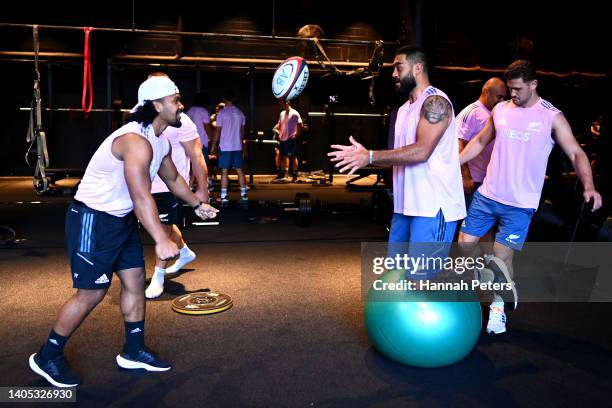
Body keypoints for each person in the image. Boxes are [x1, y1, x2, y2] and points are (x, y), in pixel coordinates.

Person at [28, 75, 218, 387]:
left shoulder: (159, 139)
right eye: (175, 100)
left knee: (134, 282)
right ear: (156, 105)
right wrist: (160, 238)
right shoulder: (135, 141)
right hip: (93, 219)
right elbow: (141, 195)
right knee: (92, 293)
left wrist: (197, 203)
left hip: (120, 221)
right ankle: (47, 355)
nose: (181, 105)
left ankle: (133, 351)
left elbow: (172, 180)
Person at [458, 60, 602, 334]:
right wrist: (454, 164)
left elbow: (576, 153)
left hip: (520, 205)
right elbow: (478, 142)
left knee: (501, 258)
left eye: (518, 89)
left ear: (533, 84)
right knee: (465, 246)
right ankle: (484, 278)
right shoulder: (500, 110)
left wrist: (589, 186)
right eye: (509, 88)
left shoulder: (551, 116)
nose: (512, 94)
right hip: (488, 194)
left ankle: (498, 309)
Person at [328, 46, 465, 277]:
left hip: (433, 207)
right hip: (405, 206)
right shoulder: (402, 110)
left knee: (422, 279)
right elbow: (400, 155)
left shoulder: (435, 102)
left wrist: (370, 156)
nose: (393, 74)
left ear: (418, 68)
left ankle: (475, 284)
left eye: (398, 67)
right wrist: (364, 158)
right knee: (396, 274)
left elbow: (421, 151)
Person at [146, 75, 211, 299]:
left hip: (172, 184)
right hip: (147, 183)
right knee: (162, 224)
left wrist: (202, 190)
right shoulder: (145, 119)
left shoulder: (183, 121)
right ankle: (184, 252)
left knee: (162, 228)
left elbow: (197, 155)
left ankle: (158, 276)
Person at [457, 77, 507, 206]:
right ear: (487, 93)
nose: (502, 101)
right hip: (473, 181)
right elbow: (457, 144)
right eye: (499, 97)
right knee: (466, 222)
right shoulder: (472, 112)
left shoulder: (495, 114)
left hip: (487, 181)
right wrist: (466, 177)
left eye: (504, 98)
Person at [210, 91, 248, 204]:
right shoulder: (240, 114)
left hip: (225, 147)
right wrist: (242, 147)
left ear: (224, 99)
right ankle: (244, 195)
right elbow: (242, 133)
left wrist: (213, 146)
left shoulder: (222, 114)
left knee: (224, 172)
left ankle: (224, 196)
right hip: (237, 146)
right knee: (240, 171)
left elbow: (217, 131)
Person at [187, 92, 215, 190]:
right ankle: (206, 184)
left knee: (192, 163)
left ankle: (190, 184)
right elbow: (207, 128)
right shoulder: (204, 112)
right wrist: (212, 140)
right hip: (202, 141)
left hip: (190, 142)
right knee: (204, 164)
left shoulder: (190, 111)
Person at [272, 99, 303, 182]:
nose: (281, 106)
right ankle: (282, 175)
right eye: (281, 104)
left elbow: (300, 125)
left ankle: (295, 176)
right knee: (283, 157)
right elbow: (280, 123)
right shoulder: (281, 113)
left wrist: (296, 135)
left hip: (290, 139)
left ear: (287, 103)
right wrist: (277, 131)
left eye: (282, 104)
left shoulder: (295, 113)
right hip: (282, 139)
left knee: (293, 157)